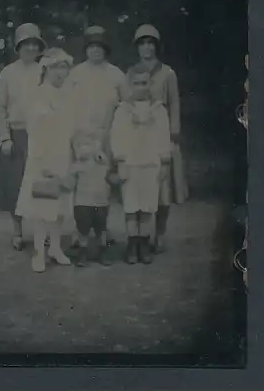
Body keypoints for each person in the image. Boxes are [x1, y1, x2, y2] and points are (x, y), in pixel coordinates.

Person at [67, 26, 128, 248]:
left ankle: (103, 229)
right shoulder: (75, 74)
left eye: (99, 48)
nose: (95, 51)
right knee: (81, 182)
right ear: (86, 50)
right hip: (80, 136)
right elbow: (68, 104)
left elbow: (126, 105)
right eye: (91, 47)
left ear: (106, 50)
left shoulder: (116, 74)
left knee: (103, 184)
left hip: (107, 134)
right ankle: (80, 230)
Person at [16, 48, 75, 273]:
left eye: (64, 68)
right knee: (42, 206)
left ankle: (56, 247)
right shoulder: (38, 96)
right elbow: (36, 131)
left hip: (63, 155)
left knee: (59, 207)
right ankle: (39, 252)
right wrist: (43, 162)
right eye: (57, 68)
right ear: (47, 70)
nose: (61, 73)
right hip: (42, 157)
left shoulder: (68, 95)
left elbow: (71, 127)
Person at [132, 24, 188, 253]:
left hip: (162, 132)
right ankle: (140, 235)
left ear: (157, 46)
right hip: (140, 134)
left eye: (151, 43)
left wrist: (174, 132)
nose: (147, 48)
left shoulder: (167, 73)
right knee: (142, 185)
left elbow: (174, 103)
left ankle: (160, 233)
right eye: (143, 44)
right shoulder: (132, 72)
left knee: (163, 187)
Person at [110, 64, 171, 264]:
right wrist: (120, 162)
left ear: (150, 84)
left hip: (151, 165)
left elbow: (164, 137)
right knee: (131, 207)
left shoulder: (159, 110)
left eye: (144, 83)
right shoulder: (122, 110)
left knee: (147, 208)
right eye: (136, 83)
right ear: (129, 85)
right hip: (130, 165)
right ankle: (132, 243)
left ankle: (143, 243)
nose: (141, 87)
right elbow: (116, 137)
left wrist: (163, 163)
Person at [0, 23, 47, 251]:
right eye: (26, 44)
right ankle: (17, 231)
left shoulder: (45, 70)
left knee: (41, 185)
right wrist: (4, 138)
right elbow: (0, 109)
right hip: (16, 135)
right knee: (15, 185)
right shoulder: (8, 73)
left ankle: (41, 232)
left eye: (35, 44)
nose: (31, 48)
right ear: (18, 47)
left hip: (41, 135)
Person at [69, 131, 113, 267]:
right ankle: (82, 253)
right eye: (79, 145)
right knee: (83, 230)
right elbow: (69, 183)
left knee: (101, 229)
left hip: (100, 202)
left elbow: (108, 173)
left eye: (87, 144)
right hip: (82, 203)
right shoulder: (75, 166)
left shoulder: (100, 161)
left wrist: (101, 157)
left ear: (94, 146)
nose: (83, 148)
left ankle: (103, 252)